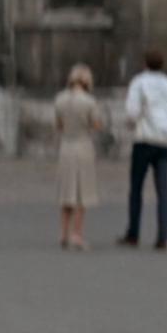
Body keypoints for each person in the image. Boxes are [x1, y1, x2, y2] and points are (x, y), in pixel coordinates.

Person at [117, 49, 167, 251]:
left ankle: (133, 233)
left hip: (144, 139)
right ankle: (163, 236)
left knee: (136, 188)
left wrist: (132, 123)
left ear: (145, 63)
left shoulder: (139, 82)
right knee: (163, 190)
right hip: (164, 142)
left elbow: (132, 112)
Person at [55, 64, 103, 251]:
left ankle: (64, 233)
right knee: (82, 193)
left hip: (66, 146)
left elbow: (58, 125)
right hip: (83, 146)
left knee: (67, 191)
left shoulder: (59, 99)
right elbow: (96, 124)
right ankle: (77, 234)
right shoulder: (89, 102)